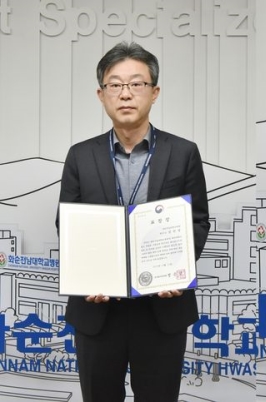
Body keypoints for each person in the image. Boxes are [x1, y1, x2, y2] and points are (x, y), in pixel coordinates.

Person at [56, 42, 210, 402]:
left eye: (137, 84)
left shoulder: (183, 152)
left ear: (154, 92)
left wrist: (178, 272)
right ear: (101, 95)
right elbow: (68, 224)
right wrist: (87, 275)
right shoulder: (80, 155)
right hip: (98, 310)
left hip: (162, 309)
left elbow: (198, 221)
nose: (125, 94)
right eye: (115, 85)